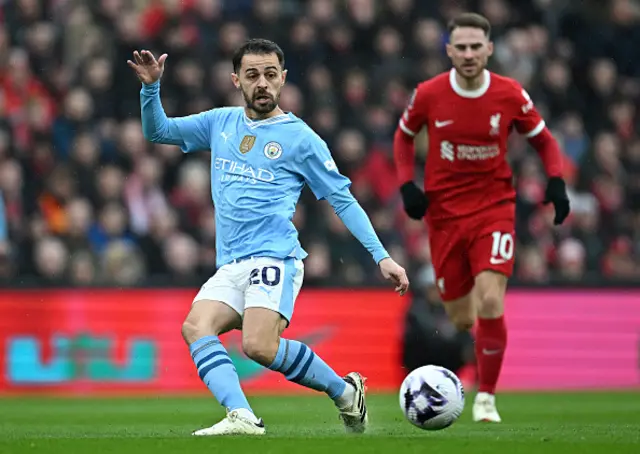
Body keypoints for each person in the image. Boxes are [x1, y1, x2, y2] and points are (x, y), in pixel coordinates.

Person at [128, 38, 409, 436]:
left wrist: (381, 256)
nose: (263, 83)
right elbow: (158, 132)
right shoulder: (219, 123)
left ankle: (345, 392)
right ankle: (242, 415)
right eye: (253, 75)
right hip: (231, 263)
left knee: (258, 347)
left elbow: (342, 200)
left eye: (271, 74)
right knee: (195, 327)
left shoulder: (301, 138)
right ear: (236, 79)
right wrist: (151, 87)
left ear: (284, 79)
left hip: (274, 259)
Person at [393, 13, 570, 423]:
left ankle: (486, 398)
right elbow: (403, 137)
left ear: (489, 49)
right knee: (461, 316)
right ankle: (476, 349)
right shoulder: (428, 94)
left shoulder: (509, 94)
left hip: (494, 210)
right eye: (462, 47)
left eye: (477, 46)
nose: (470, 54)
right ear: (449, 51)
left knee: (491, 299)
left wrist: (556, 181)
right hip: (444, 217)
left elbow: (543, 140)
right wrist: (407, 184)